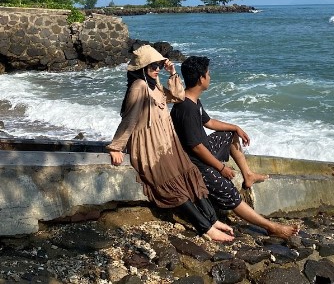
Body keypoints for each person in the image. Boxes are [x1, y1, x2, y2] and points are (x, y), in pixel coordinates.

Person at [106, 45, 234, 242]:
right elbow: (130, 118)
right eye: (153, 66)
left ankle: (212, 219)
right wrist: (117, 147)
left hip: (167, 142)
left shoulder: (154, 84)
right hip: (150, 146)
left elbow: (177, 96)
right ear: (142, 68)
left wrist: (172, 72)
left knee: (189, 175)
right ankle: (205, 228)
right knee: (173, 186)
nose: (157, 69)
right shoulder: (139, 87)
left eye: (158, 65)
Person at [171, 55, 300, 239]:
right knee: (229, 191)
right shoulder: (186, 108)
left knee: (229, 135)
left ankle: (247, 175)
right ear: (201, 79)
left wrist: (235, 128)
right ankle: (270, 226)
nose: (210, 76)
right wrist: (221, 167)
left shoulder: (192, 101)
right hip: (196, 165)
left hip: (203, 153)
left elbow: (209, 122)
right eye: (208, 73)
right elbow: (196, 147)